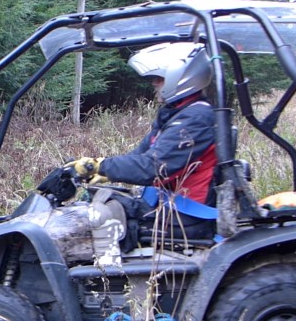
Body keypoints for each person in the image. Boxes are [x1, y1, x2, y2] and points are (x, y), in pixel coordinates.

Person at [67, 41, 217, 206]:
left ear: (181, 78)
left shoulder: (196, 119)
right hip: (164, 203)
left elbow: (153, 167)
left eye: (160, 78)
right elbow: (140, 155)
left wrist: (101, 166)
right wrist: (104, 170)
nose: (154, 82)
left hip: (184, 215)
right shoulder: (176, 113)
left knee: (96, 218)